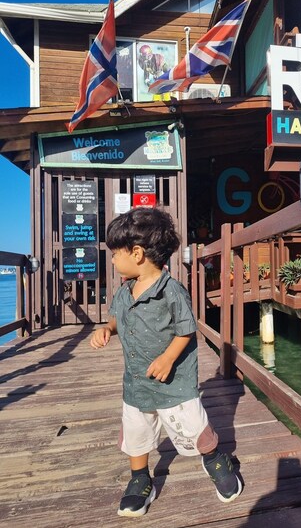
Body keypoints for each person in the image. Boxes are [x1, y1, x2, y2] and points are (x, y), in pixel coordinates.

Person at [90, 207, 242, 518]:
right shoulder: (124, 292)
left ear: (137, 254)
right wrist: (107, 328)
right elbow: (117, 318)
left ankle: (215, 459)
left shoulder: (171, 291)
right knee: (136, 431)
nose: (113, 261)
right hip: (137, 382)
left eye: (115, 254)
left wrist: (168, 357)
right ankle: (140, 478)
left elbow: (186, 330)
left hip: (174, 383)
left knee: (194, 426)